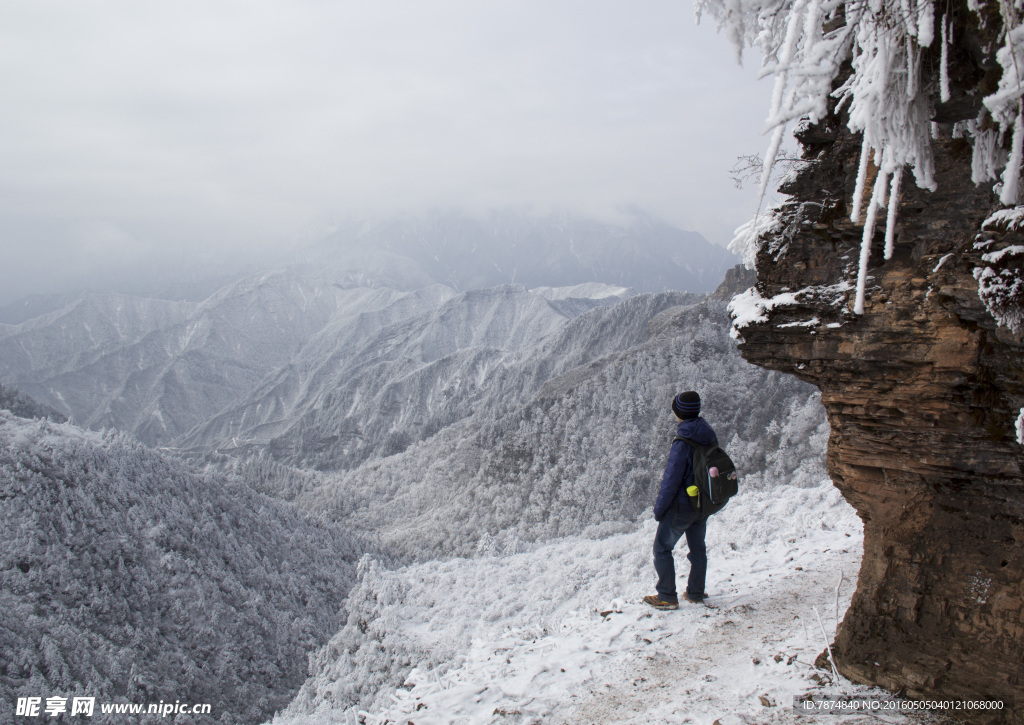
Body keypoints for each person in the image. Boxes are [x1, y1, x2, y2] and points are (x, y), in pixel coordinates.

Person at [643, 390, 718, 610]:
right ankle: (695, 592)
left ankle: (667, 596)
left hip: (682, 505)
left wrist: (660, 509)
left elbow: (671, 480)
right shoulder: (708, 434)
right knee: (698, 548)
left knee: (662, 548)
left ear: (679, 413)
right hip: (702, 502)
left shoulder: (682, 441)